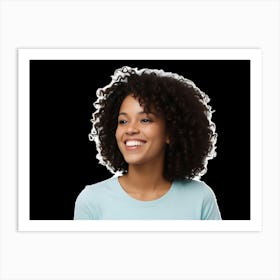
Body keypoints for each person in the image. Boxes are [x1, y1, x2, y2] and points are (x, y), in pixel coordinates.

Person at [74, 66, 222, 220]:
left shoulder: (200, 198)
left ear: (171, 132)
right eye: (123, 121)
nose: (130, 129)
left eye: (145, 120)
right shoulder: (92, 201)